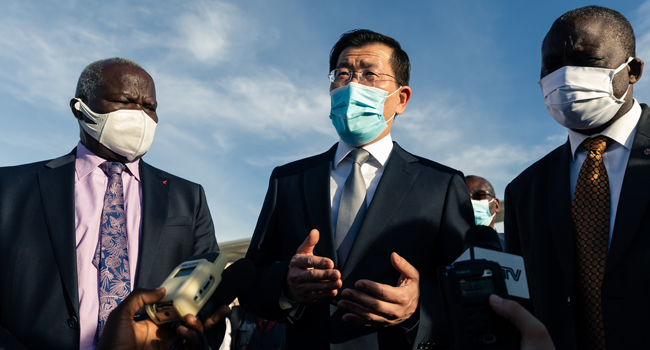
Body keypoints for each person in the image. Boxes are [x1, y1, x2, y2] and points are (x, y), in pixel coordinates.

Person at [239, 29, 474, 349]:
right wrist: (287, 286)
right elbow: (251, 284)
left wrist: (415, 309)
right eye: (343, 74)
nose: (352, 85)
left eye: (369, 74)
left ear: (401, 99)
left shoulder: (442, 184)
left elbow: (469, 292)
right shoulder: (289, 179)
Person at [0, 58, 228, 349]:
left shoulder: (188, 197)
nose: (140, 115)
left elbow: (211, 304)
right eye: (126, 101)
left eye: (150, 107)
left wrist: (193, 336)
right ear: (79, 108)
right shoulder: (10, 188)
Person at [504, 5, 648, 349]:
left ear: (632, 71)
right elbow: (520, 302)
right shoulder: (524, 190)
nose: (567, 76)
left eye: (587, 59)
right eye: (553, 65)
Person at [465, 175, 503, 248]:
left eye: (479, 196)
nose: (471, 202)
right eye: (464, 199)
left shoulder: (517, 245)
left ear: (496, 205)